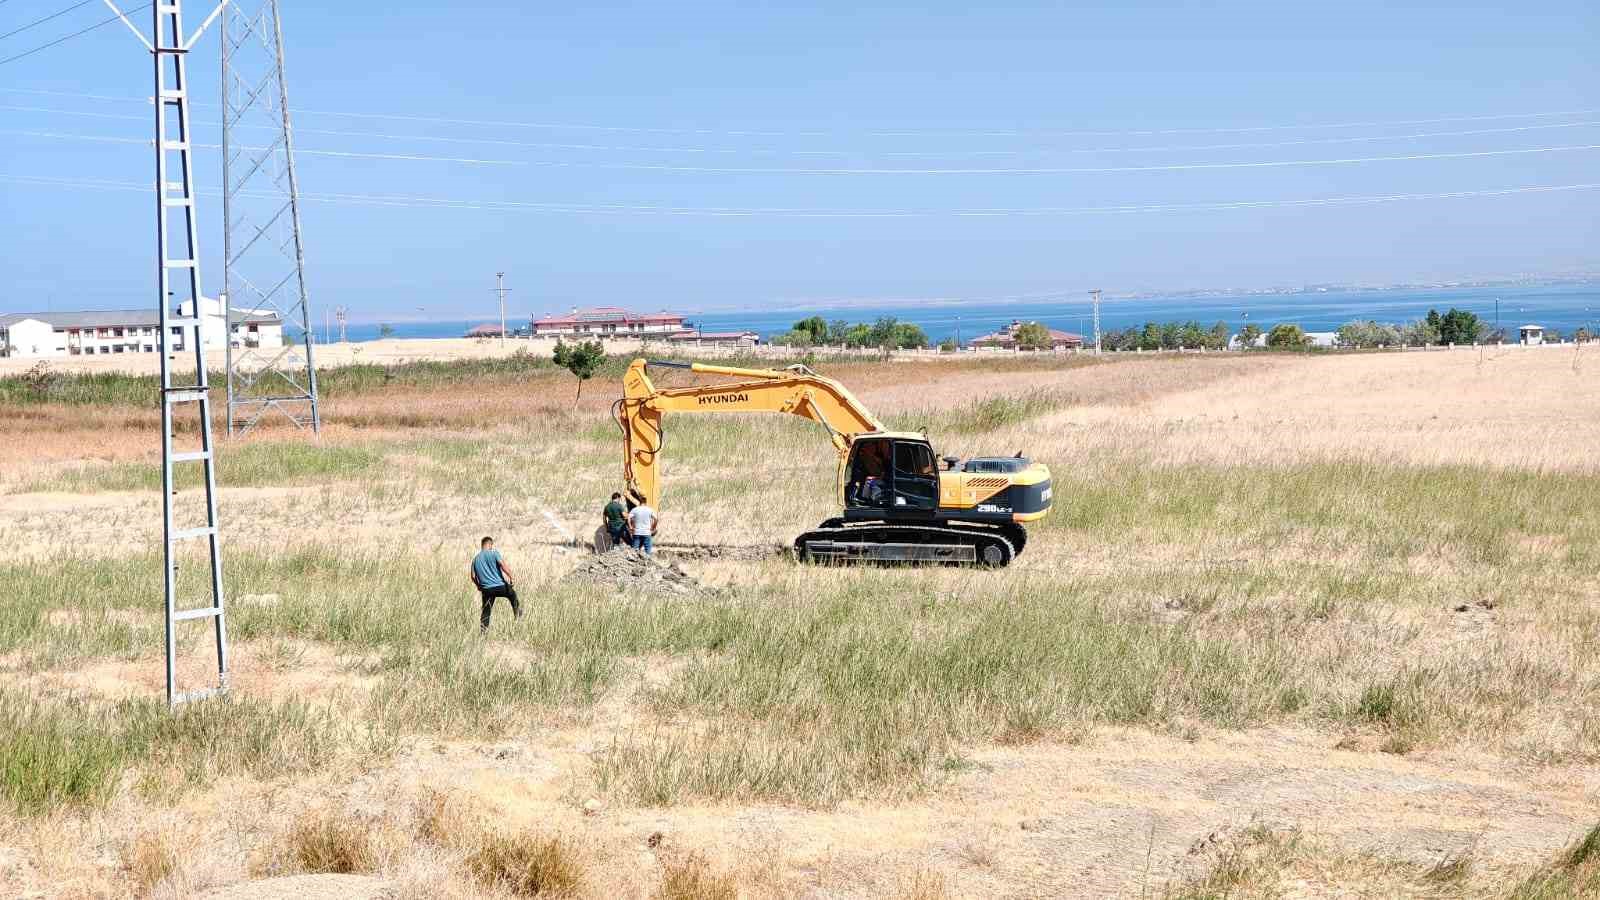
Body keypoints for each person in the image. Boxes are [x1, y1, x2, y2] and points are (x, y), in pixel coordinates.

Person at [470, 536, 519, 632]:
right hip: (500, 586)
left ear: (482, 545)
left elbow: (472, 576)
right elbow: (502, 565)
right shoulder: (494, 553)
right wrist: (511, 577)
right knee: (512, 595)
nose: (492, 547)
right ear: (489, 544)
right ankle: (517, 614)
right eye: (491, 545)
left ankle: (483, 633)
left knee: (486, 612)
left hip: (487, 590)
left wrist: (478, 586)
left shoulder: (475, 559)